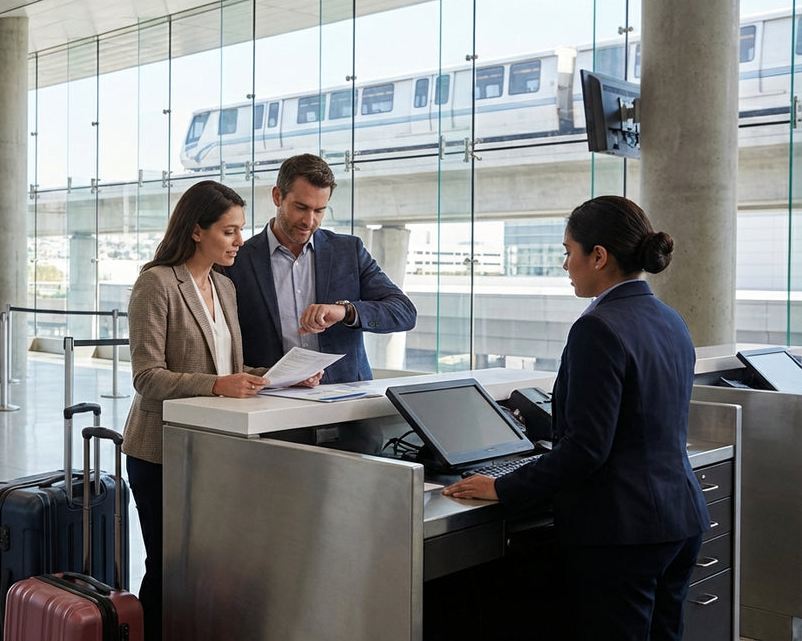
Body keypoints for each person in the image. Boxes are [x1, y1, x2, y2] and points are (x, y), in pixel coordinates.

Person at [442, 196, 710, 640]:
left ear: (598, 256)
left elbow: (587, 449)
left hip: (623, 534)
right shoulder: (669, 319)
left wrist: (502, 486)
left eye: (569, 251)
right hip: (680, 520)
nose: (566, 264)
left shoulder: (597, 328)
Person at [122, 180, 319, 641]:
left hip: (214, 449)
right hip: (161, 452)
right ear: (196, 231)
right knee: (169, 566)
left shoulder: (224, 287)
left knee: (207, 568)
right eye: (229, 231)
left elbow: (229, 367)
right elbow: (147, 377)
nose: (240, 241)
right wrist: (217, 384)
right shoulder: (156, 283)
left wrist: (279, 374)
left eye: (241, 230)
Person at [224, 153, 416, 384]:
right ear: (277, 196)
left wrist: (346, 312)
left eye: (319, 210)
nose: (309, 220)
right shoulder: (237, 260)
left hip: (346, 400)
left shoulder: (349, 251)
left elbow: (404, 313)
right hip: (272, 401)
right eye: (301, 207)